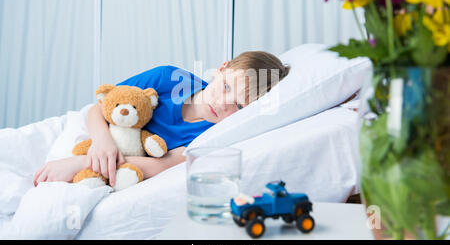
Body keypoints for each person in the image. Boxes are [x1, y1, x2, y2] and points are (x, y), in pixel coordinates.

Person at [33, 51, 290, 187]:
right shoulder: (167, 78)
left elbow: (163, 165)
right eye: (225, 87)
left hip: (107, 162)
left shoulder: (209, 136)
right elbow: (99, 107)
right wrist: (101, 143)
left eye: (239, 105)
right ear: (221, 69)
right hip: (99, 136)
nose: (223, 104)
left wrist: (82, 164)